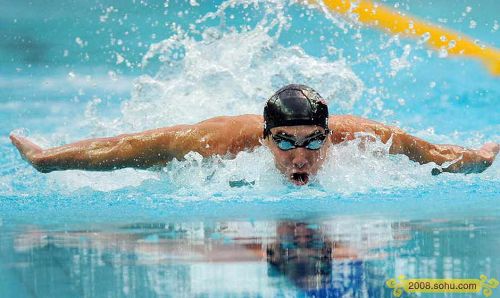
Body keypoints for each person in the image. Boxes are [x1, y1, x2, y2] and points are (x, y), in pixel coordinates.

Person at [10, 84, 499, 186]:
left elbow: (434, 153)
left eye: (312, 142)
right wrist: (49, 158)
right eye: (284, 142)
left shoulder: (361, 136)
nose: (299, 156)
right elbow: (132, 149)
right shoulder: (223, 141)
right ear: (265, 140)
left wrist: (481, 157)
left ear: (329, 137)